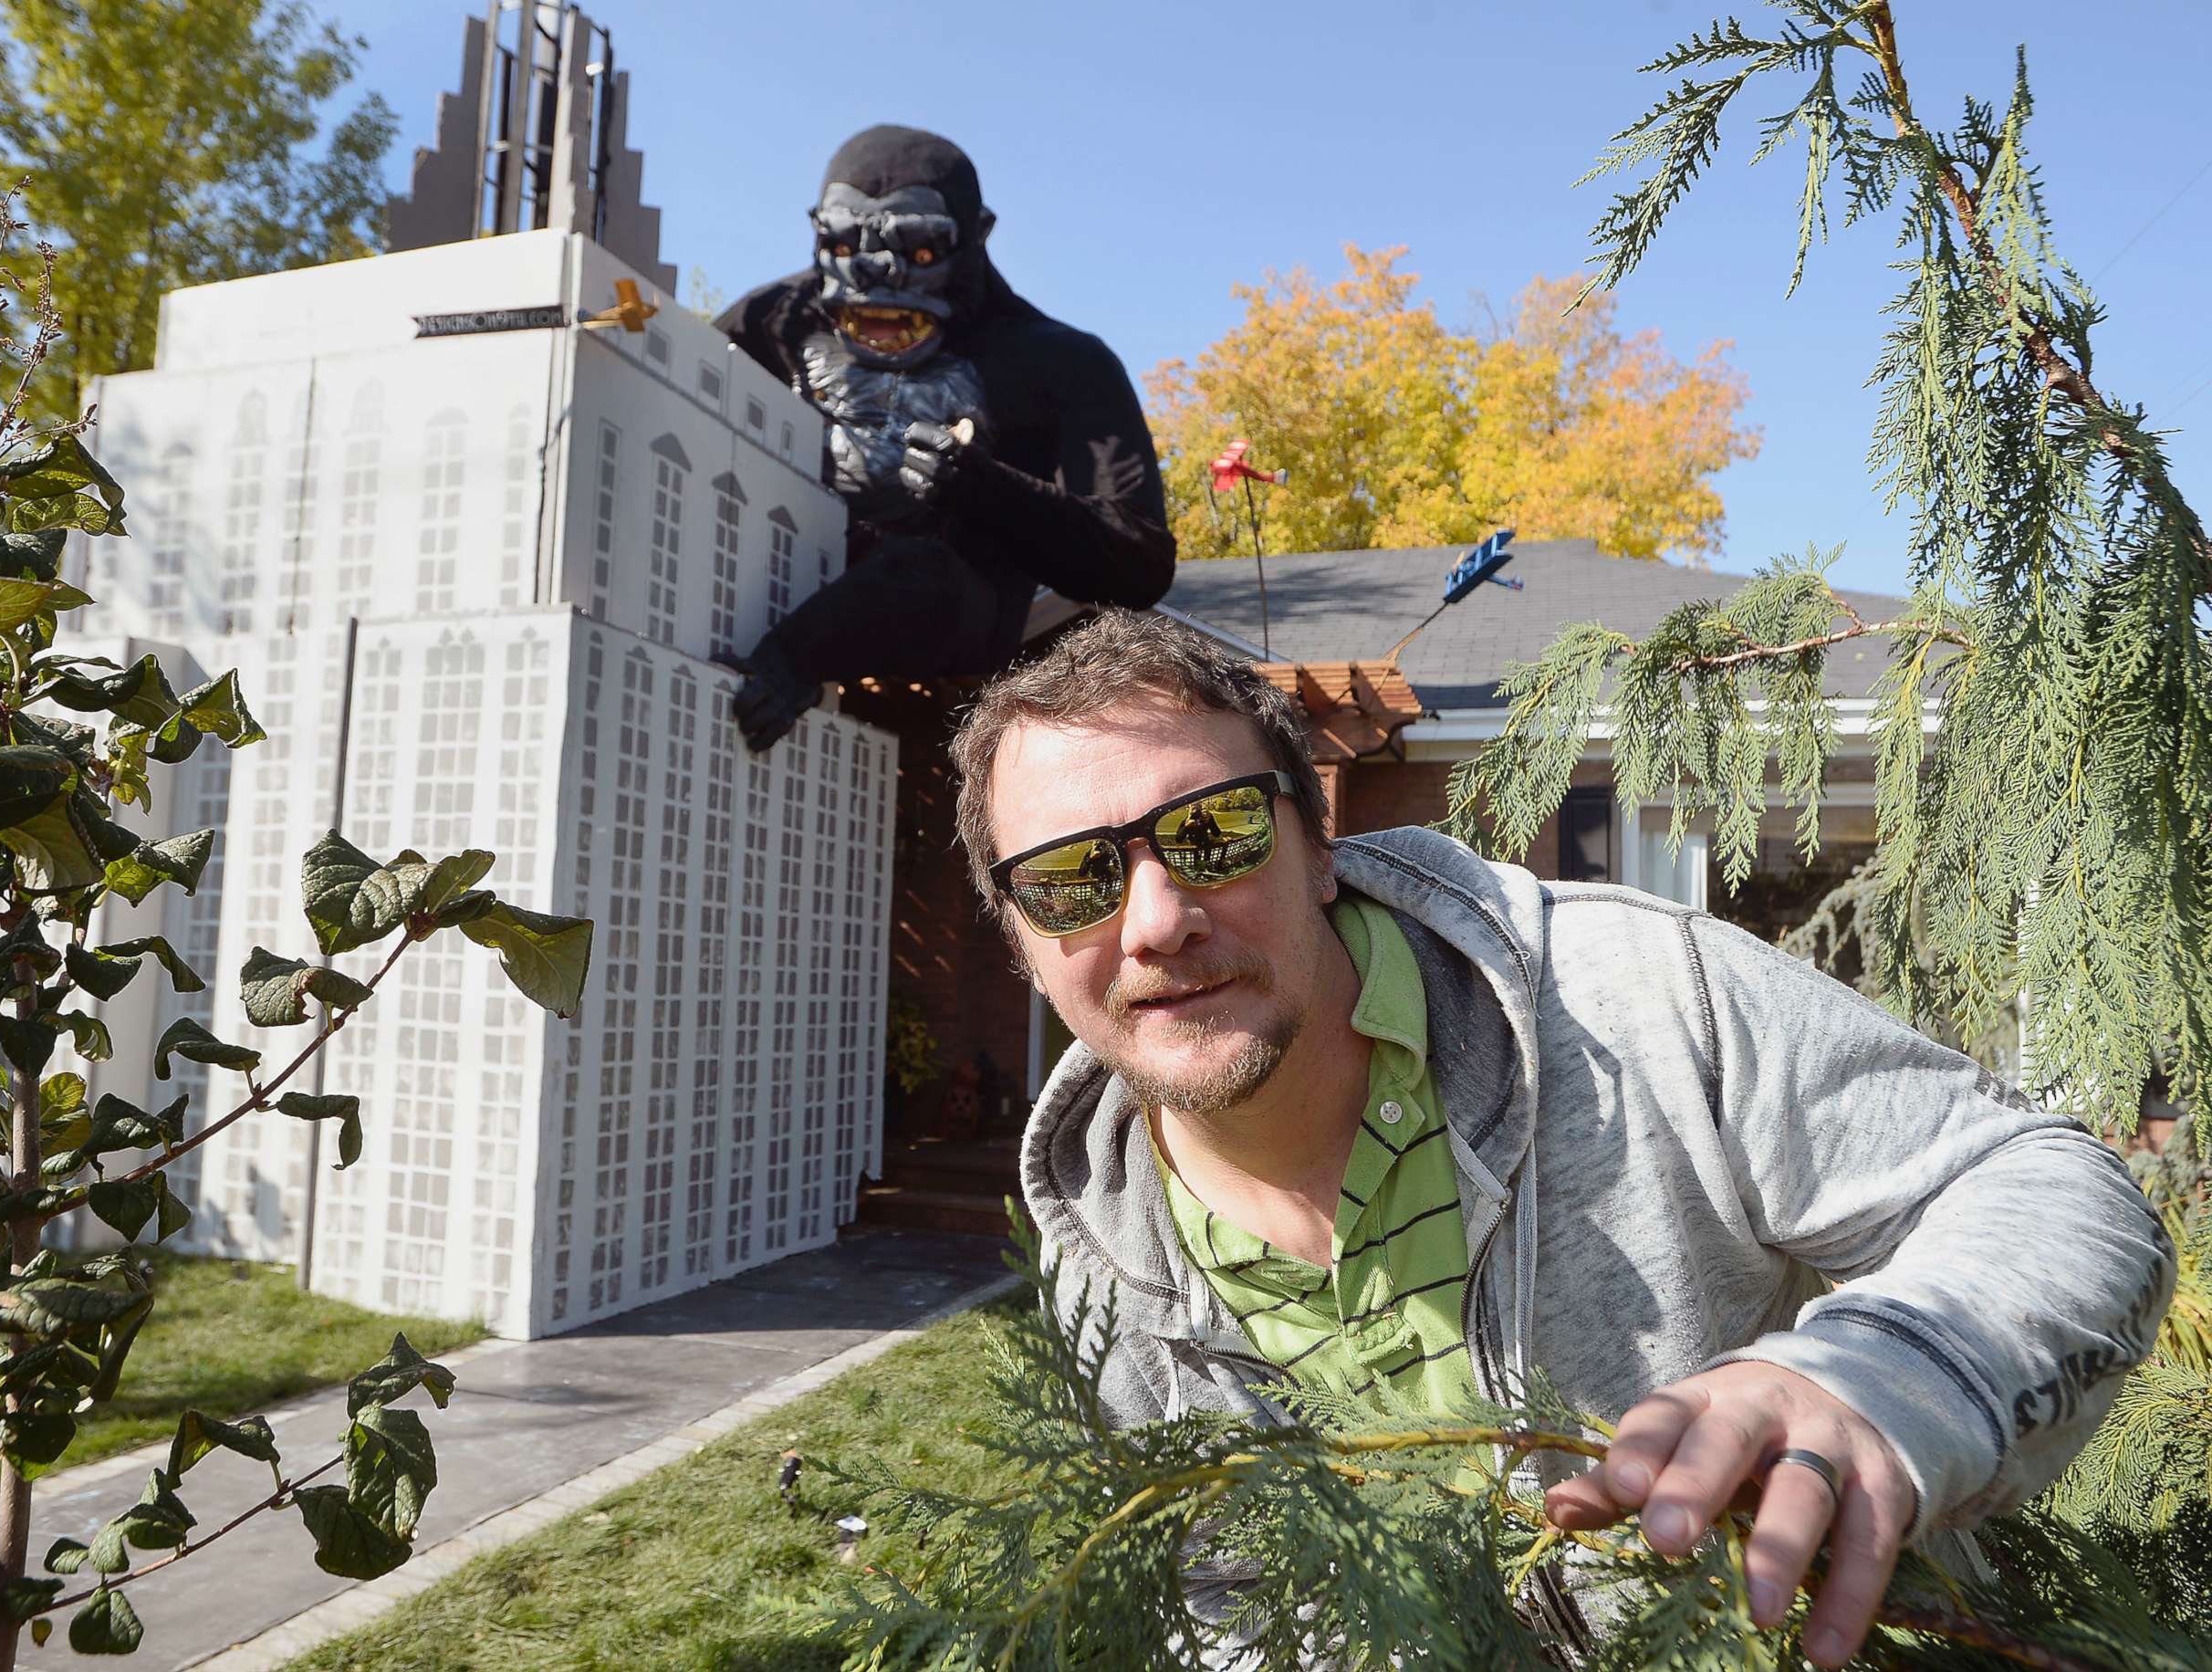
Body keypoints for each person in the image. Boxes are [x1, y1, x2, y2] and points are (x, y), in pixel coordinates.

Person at [949, 609, 2174, 1666]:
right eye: (1070, 882)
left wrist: (1877, 1379)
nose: (1157, 920)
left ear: (1319, 848)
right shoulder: (1094, 1250)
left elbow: (2051, 1186)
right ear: (1020, 940)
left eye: (1214, 833)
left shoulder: (1636, 995)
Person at [716, 125, 1174, 753]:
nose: (879, 272)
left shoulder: (1058, 360)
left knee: (926, 569)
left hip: (948, 626)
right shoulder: (770, 325)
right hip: (768, 585)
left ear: (974, 238)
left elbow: (1141, 561)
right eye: (847, 242)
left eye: (919, 250)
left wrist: (983, 489)